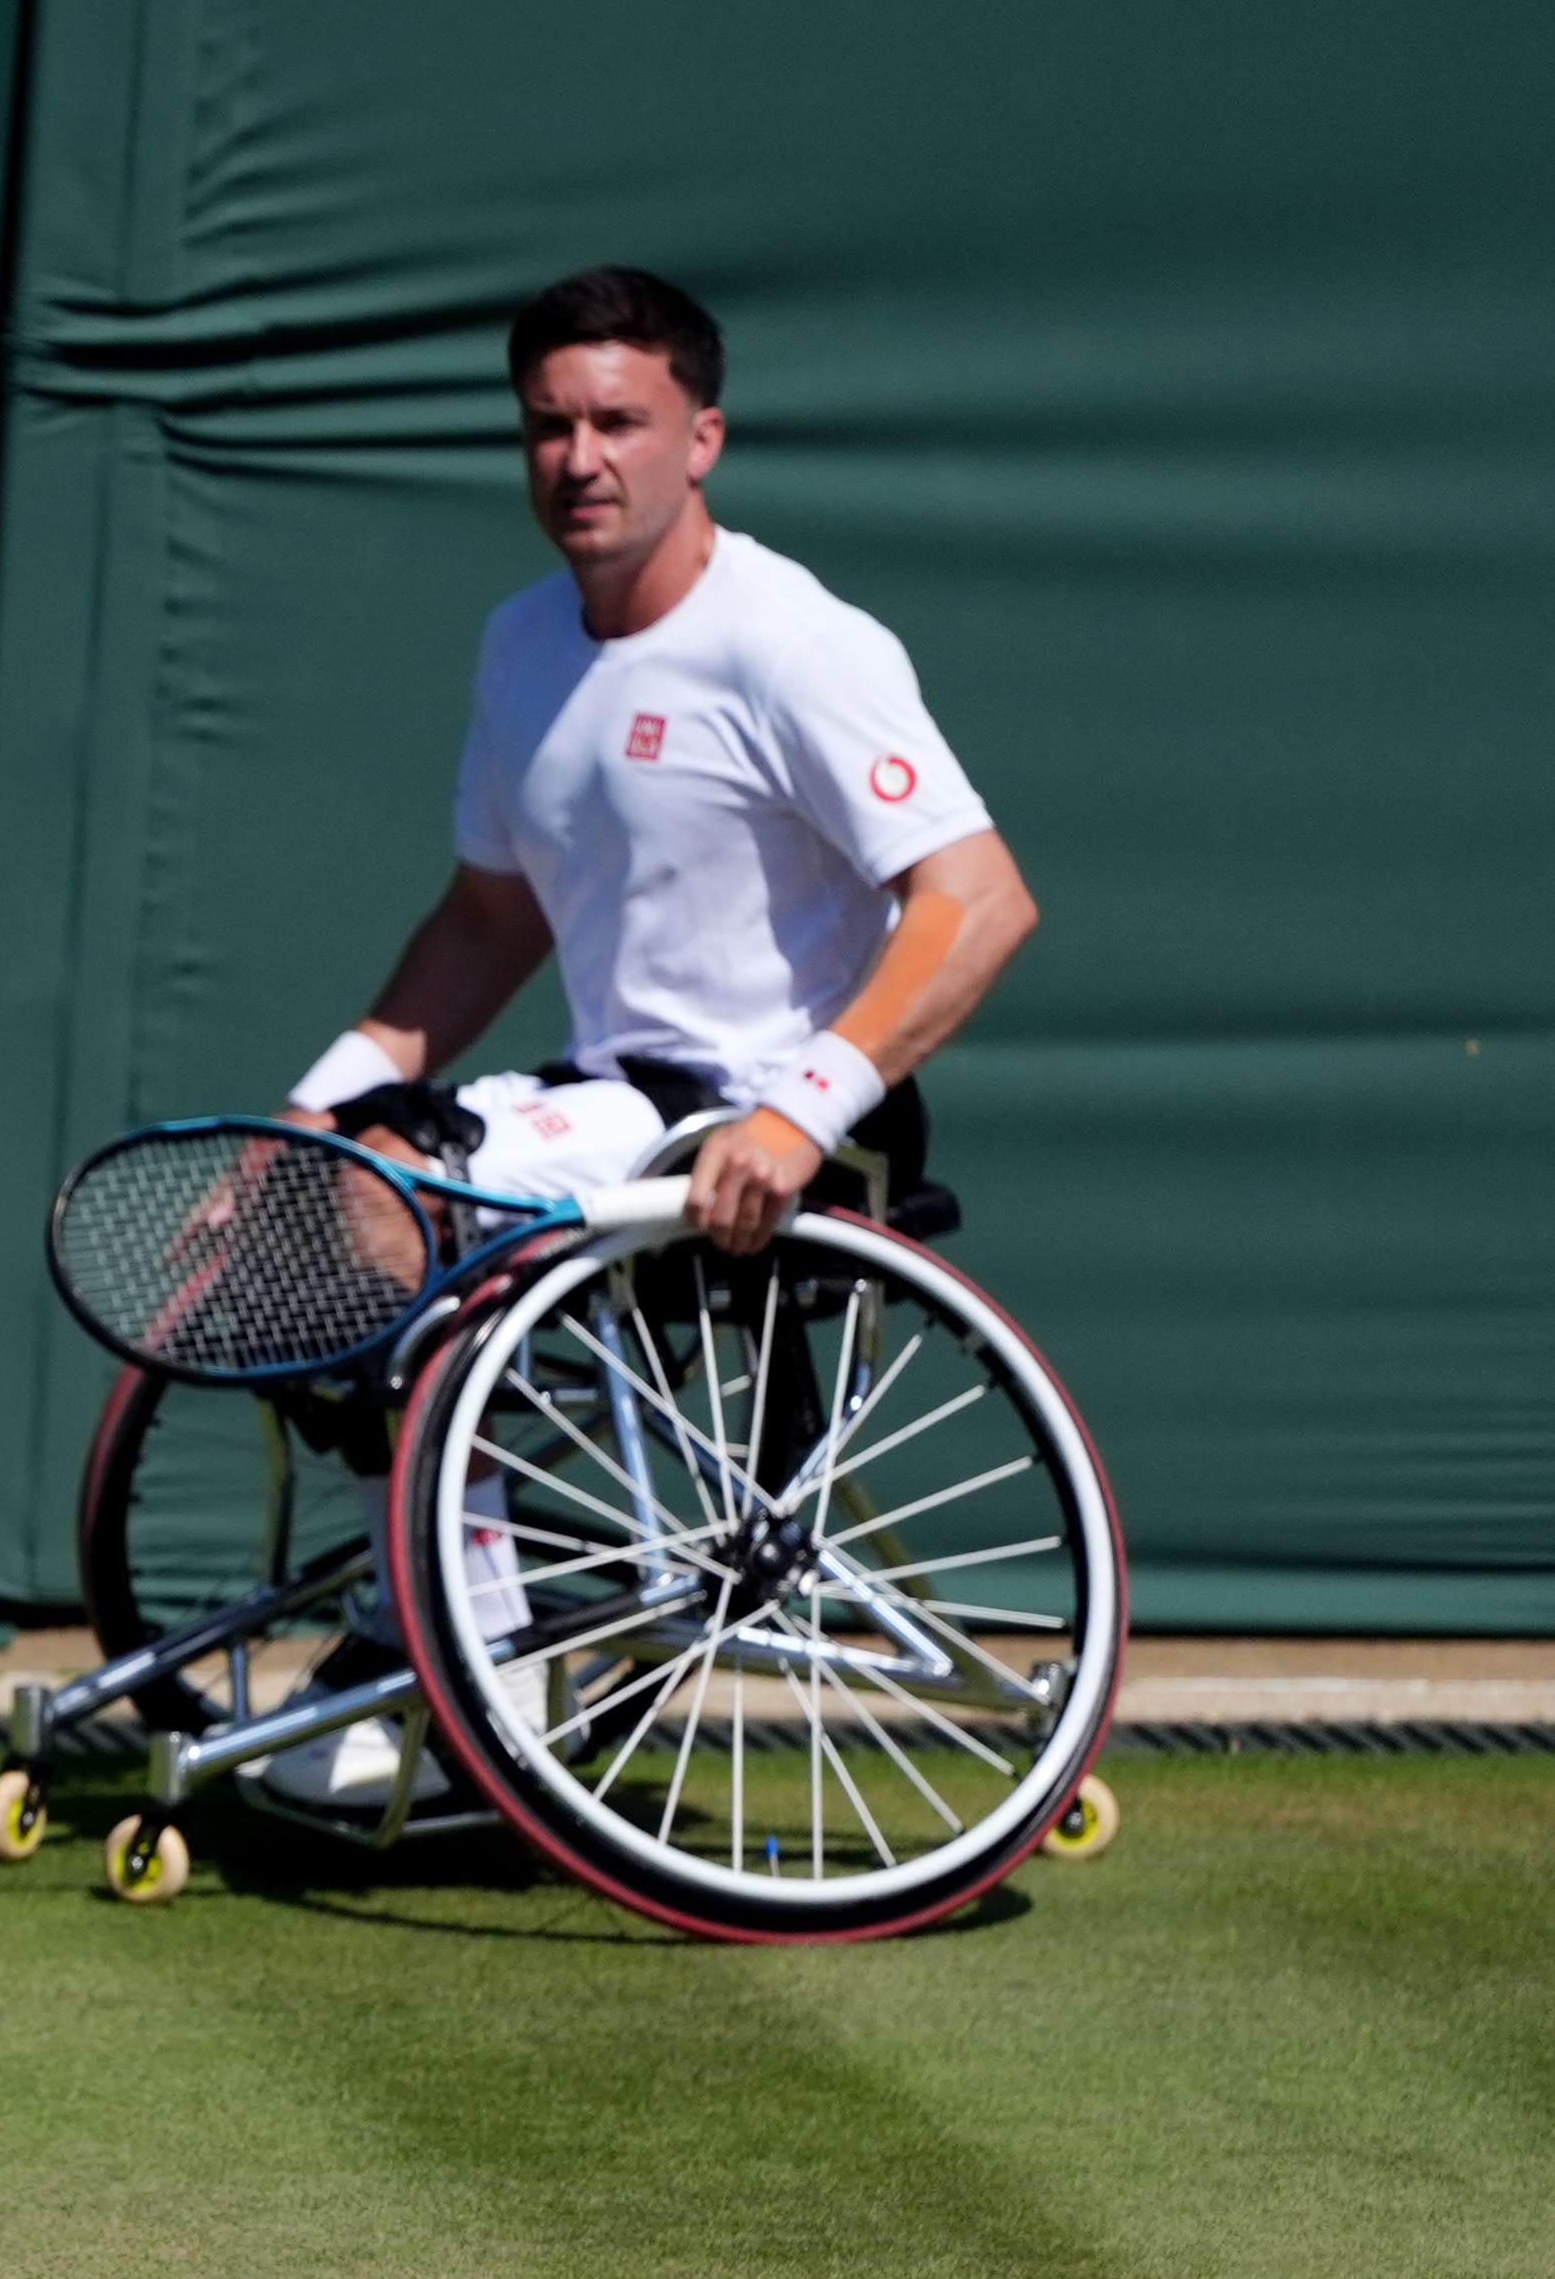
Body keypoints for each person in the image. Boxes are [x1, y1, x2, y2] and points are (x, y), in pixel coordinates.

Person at [256, 266, 1039, 1811]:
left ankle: (469, 1681)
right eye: (547, 425)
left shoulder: (793, 643)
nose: (579, 459)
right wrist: (299, 1116)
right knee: (310, 1196)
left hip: (769, 1117)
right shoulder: (519, 644)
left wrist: (805, 1107)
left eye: (618, 421)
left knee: (382, 1201)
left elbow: (981, 899)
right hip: (613, 1103)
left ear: (702, 438)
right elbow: (484, 924)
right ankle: (445, 1625)